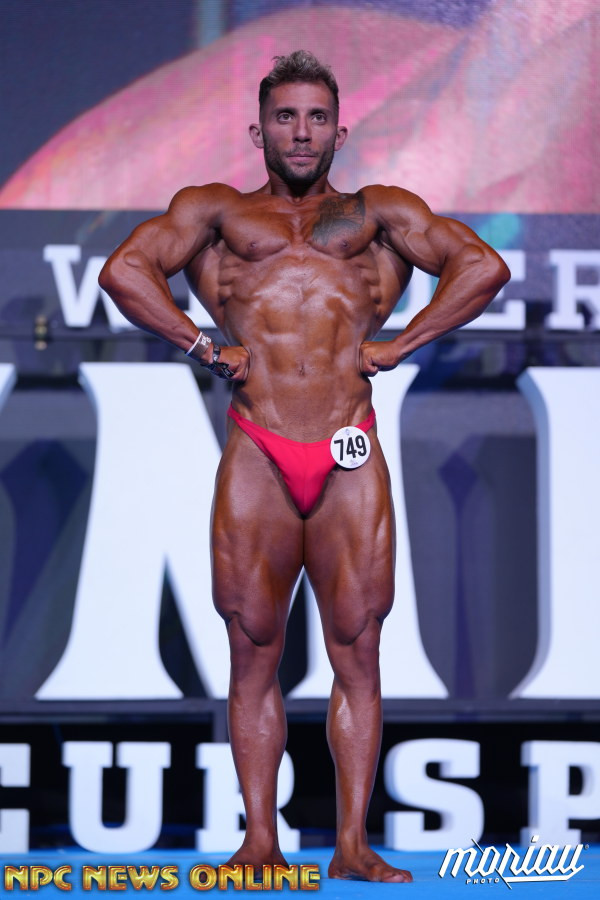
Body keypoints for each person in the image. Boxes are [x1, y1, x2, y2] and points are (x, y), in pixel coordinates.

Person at [99, 50, 510, 882]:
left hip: (348, 446)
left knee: (358, 647)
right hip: (258, 447)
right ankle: (260, 841)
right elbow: (123, 271)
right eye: (285, 117)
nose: (300, 132)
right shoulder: (215, 212)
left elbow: (483, 266)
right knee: (253, 647)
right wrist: (203, 345)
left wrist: (404, 342)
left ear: (339, 131)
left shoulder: (378, 213)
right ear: (259, 131)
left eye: (316, 117)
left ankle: (353, 845)